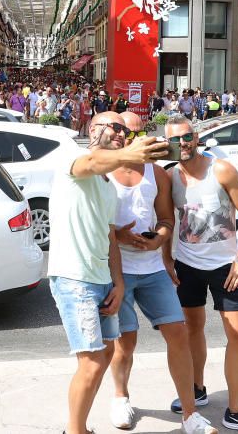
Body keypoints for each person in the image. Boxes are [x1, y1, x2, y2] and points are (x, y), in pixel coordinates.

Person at [48, 111, 169, 434]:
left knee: (106, 353)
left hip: (102, 280)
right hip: (74, 278)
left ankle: (81, 428)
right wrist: (133, 153)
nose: (119, 133)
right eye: (113, 127)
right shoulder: (75, 160)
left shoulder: (107, 188)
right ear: (92, 128)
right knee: (91, 362)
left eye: (123, 130)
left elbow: (107, 236)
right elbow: (93, 163)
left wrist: (117, 282)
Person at [165, 116, 238, 434]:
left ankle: (237, 411)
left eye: (186, 137)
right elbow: (168, 219)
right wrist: (166, 258)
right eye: (175, 140)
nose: (182, 144)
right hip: (187, 265)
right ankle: (197, 389)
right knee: (191, 329)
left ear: (196, 137)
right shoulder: (170, 176)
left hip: (225, 267)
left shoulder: (221, 169)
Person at [108, 112, 216, 433]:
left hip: (153, 269)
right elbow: (92, 222)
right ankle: (120, 396)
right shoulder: (105, 172)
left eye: (141, 133)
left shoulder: (158, 173)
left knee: (178, 334)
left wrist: (160, 239)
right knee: (125, 343)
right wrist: (119, 235)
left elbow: (167, 219)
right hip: (119, 270)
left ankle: (190, 414)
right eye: (129, 134)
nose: (136, 139)